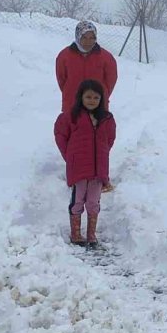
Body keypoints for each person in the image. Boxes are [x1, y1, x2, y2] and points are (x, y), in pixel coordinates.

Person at [54, 79, 117, 247]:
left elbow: (109, 139)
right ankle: (76, 234)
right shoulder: (71, 117)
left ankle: (91, 234)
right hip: (79, 169)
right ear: (80, 97)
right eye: (88, 97)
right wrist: (70, 155)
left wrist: (102, 153)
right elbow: (60, 136)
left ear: (101, 99)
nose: (92, 101)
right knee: (78, 200)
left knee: (93, 202)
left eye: (96, 97)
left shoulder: (106, 118)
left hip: (98, 170)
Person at [55, 21, 118, 113]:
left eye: (92, 38)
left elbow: (111, 80)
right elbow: (61, 79)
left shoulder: (106, 57)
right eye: (84, 37)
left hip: (97, 105)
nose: (88, 41)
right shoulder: (64, 56)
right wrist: (70, 91)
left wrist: (101, 94)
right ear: (78, 36)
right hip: (72, 104)